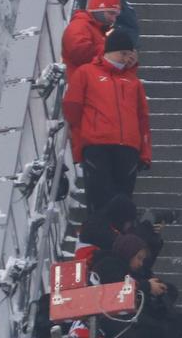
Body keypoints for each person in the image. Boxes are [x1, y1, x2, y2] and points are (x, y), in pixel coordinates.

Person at [62, 27, 152, 214]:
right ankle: (99, 231)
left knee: (123, 203)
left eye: (130, 54)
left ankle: (119, 231)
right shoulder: (86, 73)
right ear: (110, 51)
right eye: (123, 53)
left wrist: (145, 153)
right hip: (97, 146)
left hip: (128, 148)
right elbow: (72, 109)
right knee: (99, 201)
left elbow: (142, 118)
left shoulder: (133, 81)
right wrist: (80, 146)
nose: (126, 58)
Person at [60, 0, 138, 71]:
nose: (114, 19)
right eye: (111, 13)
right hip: (84, 78)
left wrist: (127, 61)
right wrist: (114, 51)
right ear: (99, 10)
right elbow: (79, 54)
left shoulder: (102, 30)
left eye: (116, 15)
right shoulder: (79, 25)